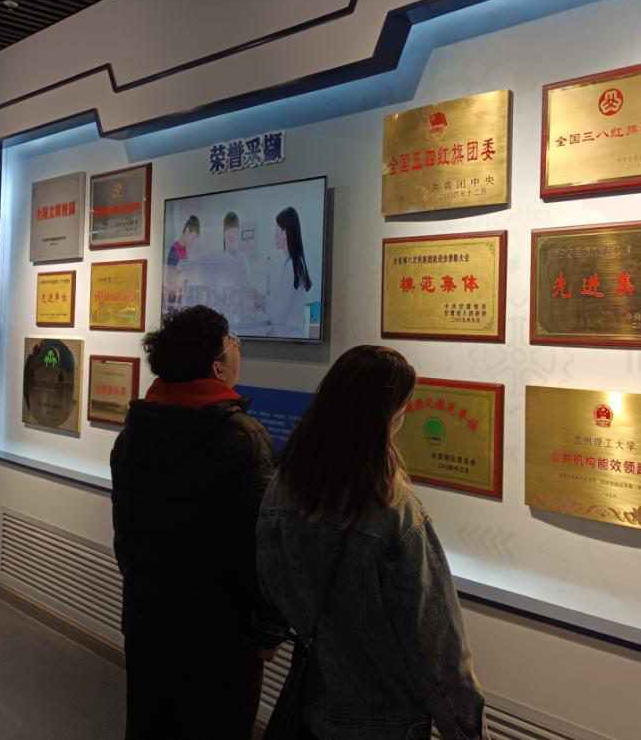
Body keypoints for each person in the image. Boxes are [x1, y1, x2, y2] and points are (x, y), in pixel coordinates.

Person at [256, 345, 490, 740]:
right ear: (385, 417)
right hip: (386, 720)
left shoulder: (281, 492)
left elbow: (271, 586)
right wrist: (467, 730)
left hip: (315, 705)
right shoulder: (394, 513)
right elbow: (437, 647)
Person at [110, 305, 284, 739]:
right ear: (217, 367)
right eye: (233, 342)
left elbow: (127, 536)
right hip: (219, 636)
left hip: (147, 620)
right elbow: (260, 545)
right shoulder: (242, 437)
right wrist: (267, 627)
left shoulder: (136, 429)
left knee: (150, 724)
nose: (239, 349)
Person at [264, 207, 311, 336]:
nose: (274, 235)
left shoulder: (293, 267)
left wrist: (261, 304)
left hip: (289, 337)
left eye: (276, 230)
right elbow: (279, 304)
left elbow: (278, 316)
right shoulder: (291, 264)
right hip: (286, 336)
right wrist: (262, 299)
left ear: (284, 233)